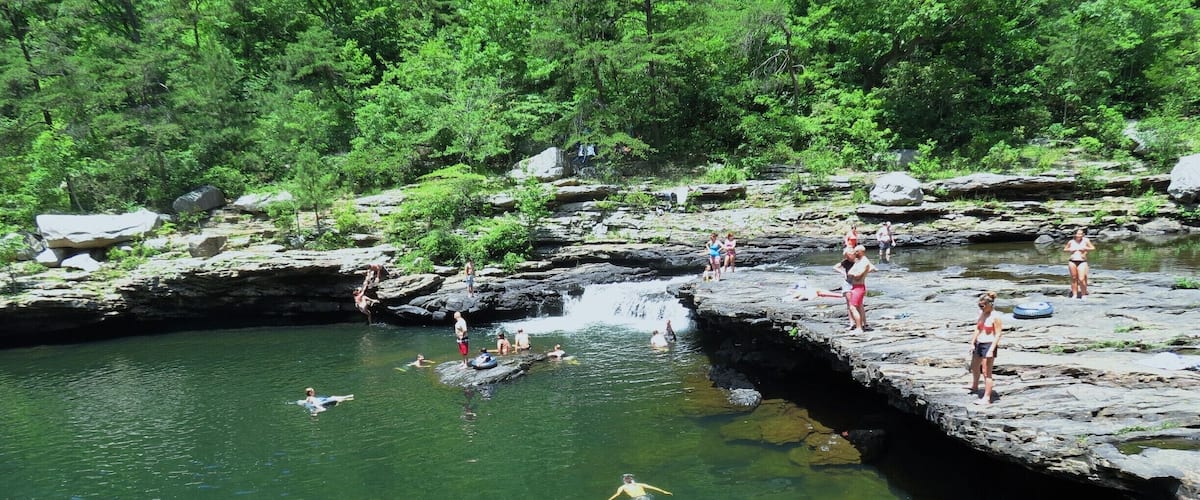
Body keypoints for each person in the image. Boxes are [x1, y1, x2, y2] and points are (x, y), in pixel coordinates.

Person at [967, 291, 1004, 405]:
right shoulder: (981, 313)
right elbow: (978, 328)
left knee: (986, 372)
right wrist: (972, 342)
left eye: (982, 306)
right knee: (974, 366)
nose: (980, 307)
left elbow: (998, 334)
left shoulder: (995, 317)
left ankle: (987, 398)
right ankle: (975, 385)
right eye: (979, 305)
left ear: (990, 304)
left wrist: (991, 350)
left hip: (989, 344)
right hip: (979, 342)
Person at [846, 245, 876, 333]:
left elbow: (857, 276)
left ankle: (859, 328)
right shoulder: (858, 261)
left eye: (856, 251)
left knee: (852, 307)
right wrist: (853, 273)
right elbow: (850, 272)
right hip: (855, 287)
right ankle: (861, 326)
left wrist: (853, 273)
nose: (855, 253)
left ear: (861, 252)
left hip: (859, 287)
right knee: (858, 307)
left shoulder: (865, 262)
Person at [1064, 228, 1095, 299]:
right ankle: (1074, 294)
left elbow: (1092, 248)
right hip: (1072, 261)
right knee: (1074, 278)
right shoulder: (1071, 242)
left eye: (1081, 234)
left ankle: (1083, 294)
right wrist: (1070, 249)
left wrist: (1085, 248)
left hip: (1082, 261)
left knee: (1081, 278)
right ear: (1075, 234)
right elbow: (1065, 249)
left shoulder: (1086, 240)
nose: (1080, 235)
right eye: (1078, 234)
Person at [833, 247, 858, 330]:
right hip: (848, 283)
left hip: (857, 283)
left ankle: (860, 322)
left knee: (857, 304)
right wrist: (843, 272)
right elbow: (835, 267)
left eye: (848, 255)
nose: (847, 257)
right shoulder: (846, 261)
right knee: (849, 304)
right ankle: (851, 323)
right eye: (846, 256)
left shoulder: (858, 261)